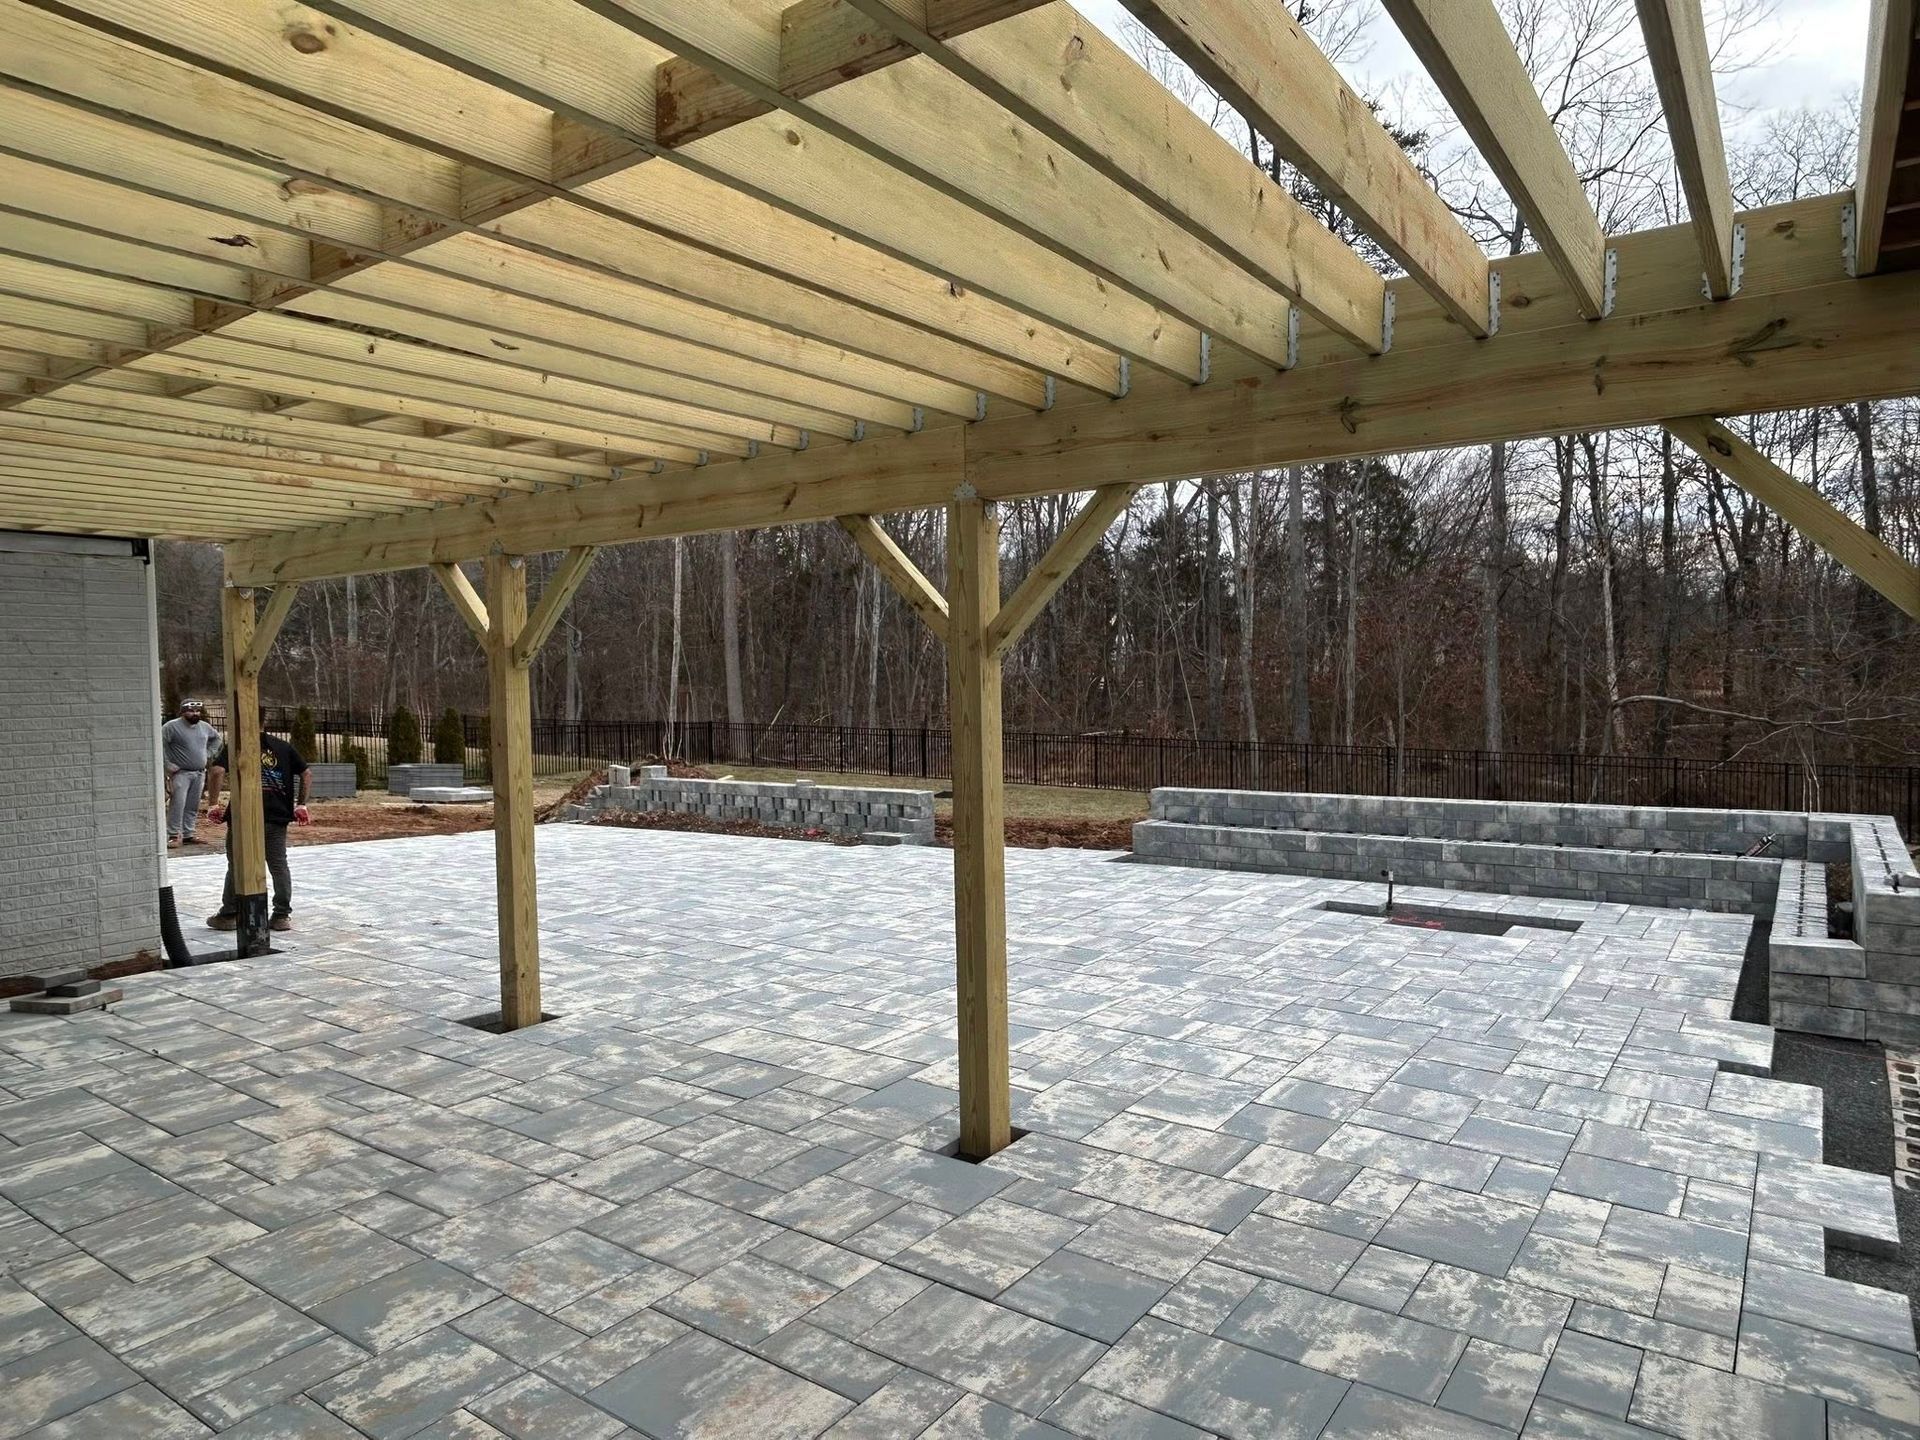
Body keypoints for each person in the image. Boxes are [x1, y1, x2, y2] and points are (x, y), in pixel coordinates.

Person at [205, 719, 311, 933]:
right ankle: (281, 915)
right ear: (265, 722)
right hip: (277, 815)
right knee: (278, 865)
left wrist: (213, 804)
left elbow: (216, 771)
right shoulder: (283, 747)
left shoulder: (238, 746)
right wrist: (301, 804)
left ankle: (229, 914)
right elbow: (306, 773)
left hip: (243, 815)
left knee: (237, 864)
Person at [160, 699, 221, 847]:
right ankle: (173, 834)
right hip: (180, 773)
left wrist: (208, 753)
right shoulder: (171, 727)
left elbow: (217, 739)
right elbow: (160, 745)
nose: (195, 714)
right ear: (183, 712)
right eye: (191, 711)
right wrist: (167, 764)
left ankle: (188, 833)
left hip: (199, 773)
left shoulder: (204, 727)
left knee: (192, 805)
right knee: (178, 804)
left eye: (197, 711)